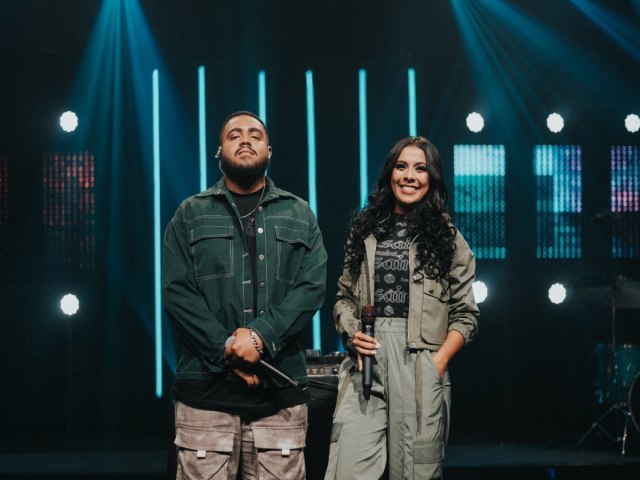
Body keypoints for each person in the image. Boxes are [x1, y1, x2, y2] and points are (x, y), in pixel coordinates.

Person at [163, 111, 327, 479]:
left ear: (269, 150)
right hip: (205, 393)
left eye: (255, 134)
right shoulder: (189, 214)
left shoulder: (299, 213)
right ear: (219, 152)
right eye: (234, 134)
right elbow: (177, 293)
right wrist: (228, 349)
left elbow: (311, 286)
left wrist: (259, 338)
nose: (245, 139)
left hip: (278, 393)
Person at [324, 136, 479, 480]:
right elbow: (343, 298)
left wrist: (437, 363)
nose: (410, 176)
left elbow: (466, 315)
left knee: (414, 473)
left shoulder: (448, 238)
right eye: (401, 166)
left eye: (420, 169)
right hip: (366, 361)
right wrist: (352, 334)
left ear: (431, 178)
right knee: (346, 469)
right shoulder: (364, 230)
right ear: (389, 174)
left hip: (420, 364)